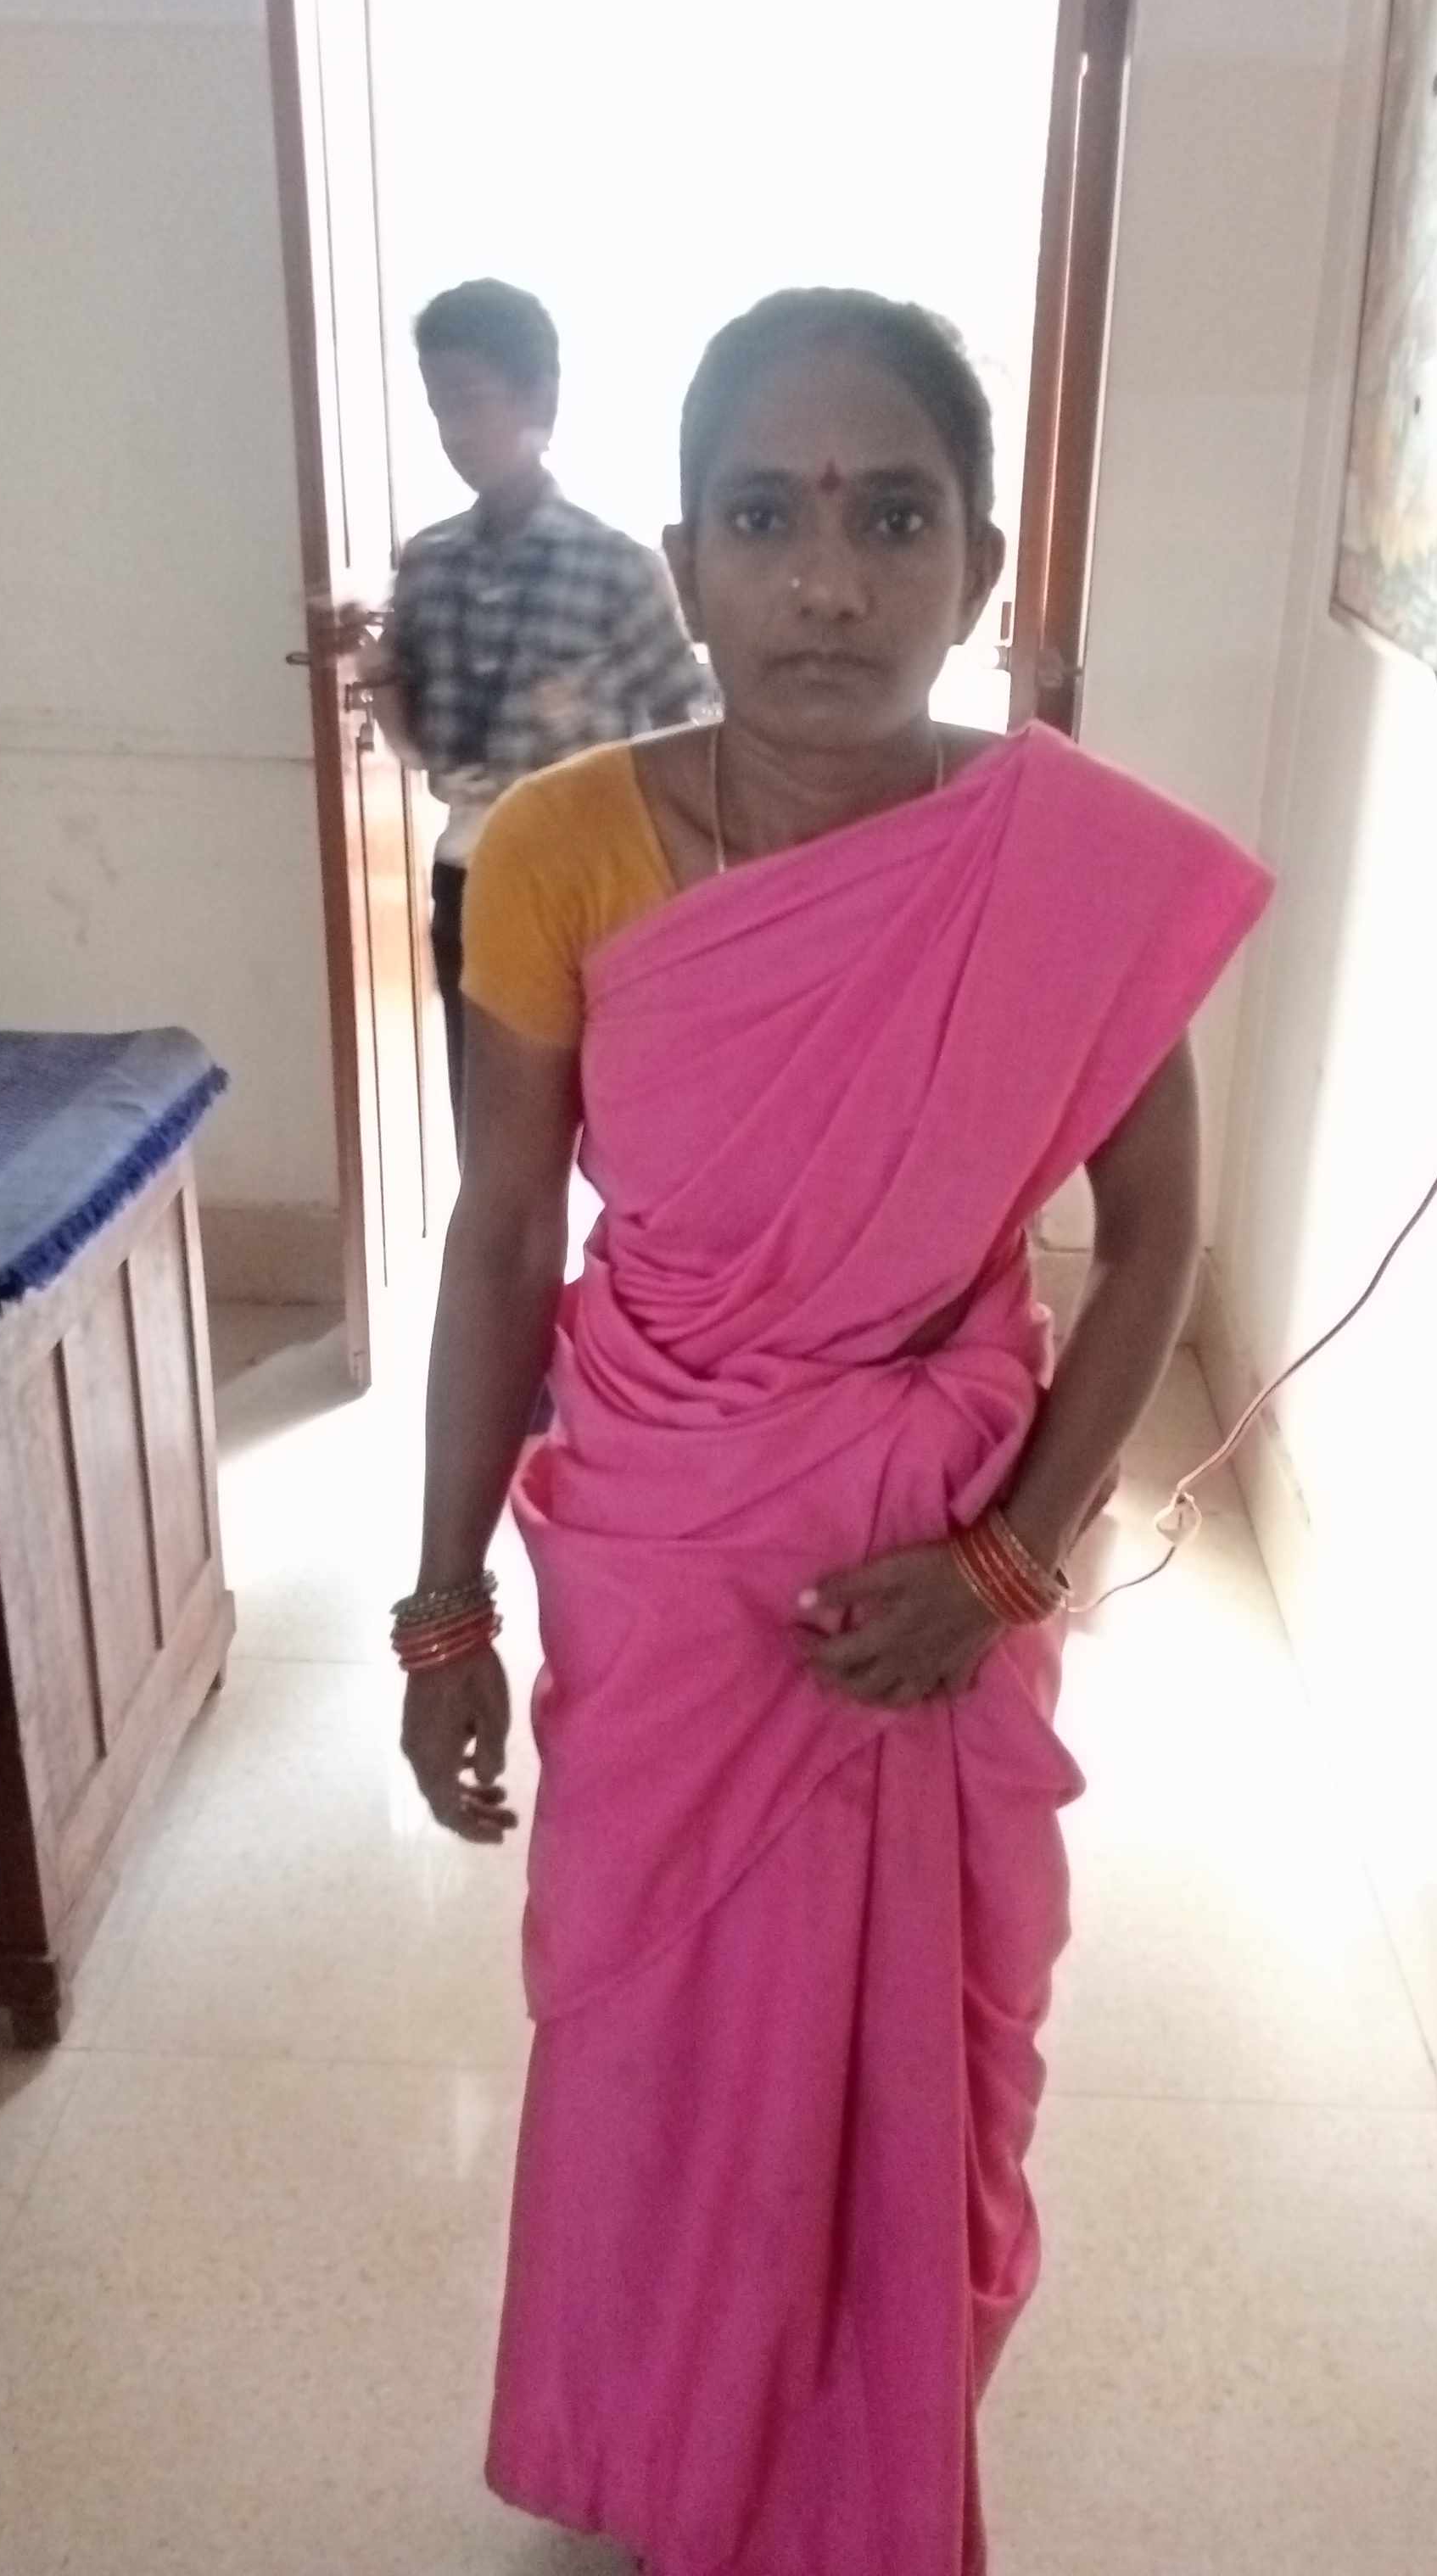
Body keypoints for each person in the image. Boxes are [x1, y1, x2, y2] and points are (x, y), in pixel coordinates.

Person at [389, 288, 1272, 2573]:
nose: (825, 579)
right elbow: (502, 1240)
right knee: (646, 2030)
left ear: (975, 566)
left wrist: (1006, 1560)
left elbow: (1154, 1238)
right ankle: (661, 2442)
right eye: (765, 518)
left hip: (938, 1539)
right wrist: (439, 1602)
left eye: (891, 518)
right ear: (684, 562)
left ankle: (853, 2436)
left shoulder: (1064, 865)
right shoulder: (562, 847)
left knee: (920, 2041)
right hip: (662, 1547)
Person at [357, 278, 712, 1128]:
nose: (454, 432)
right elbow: (422, 748)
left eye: (471, 401)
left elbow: (691, 724)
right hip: (470, 879)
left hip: (595, 889)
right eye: (438, 407)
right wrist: (381, 682)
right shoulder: (429, 562)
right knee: (488, 1130)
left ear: (540, 400)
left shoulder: (614, 566)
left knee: (622, 1127)